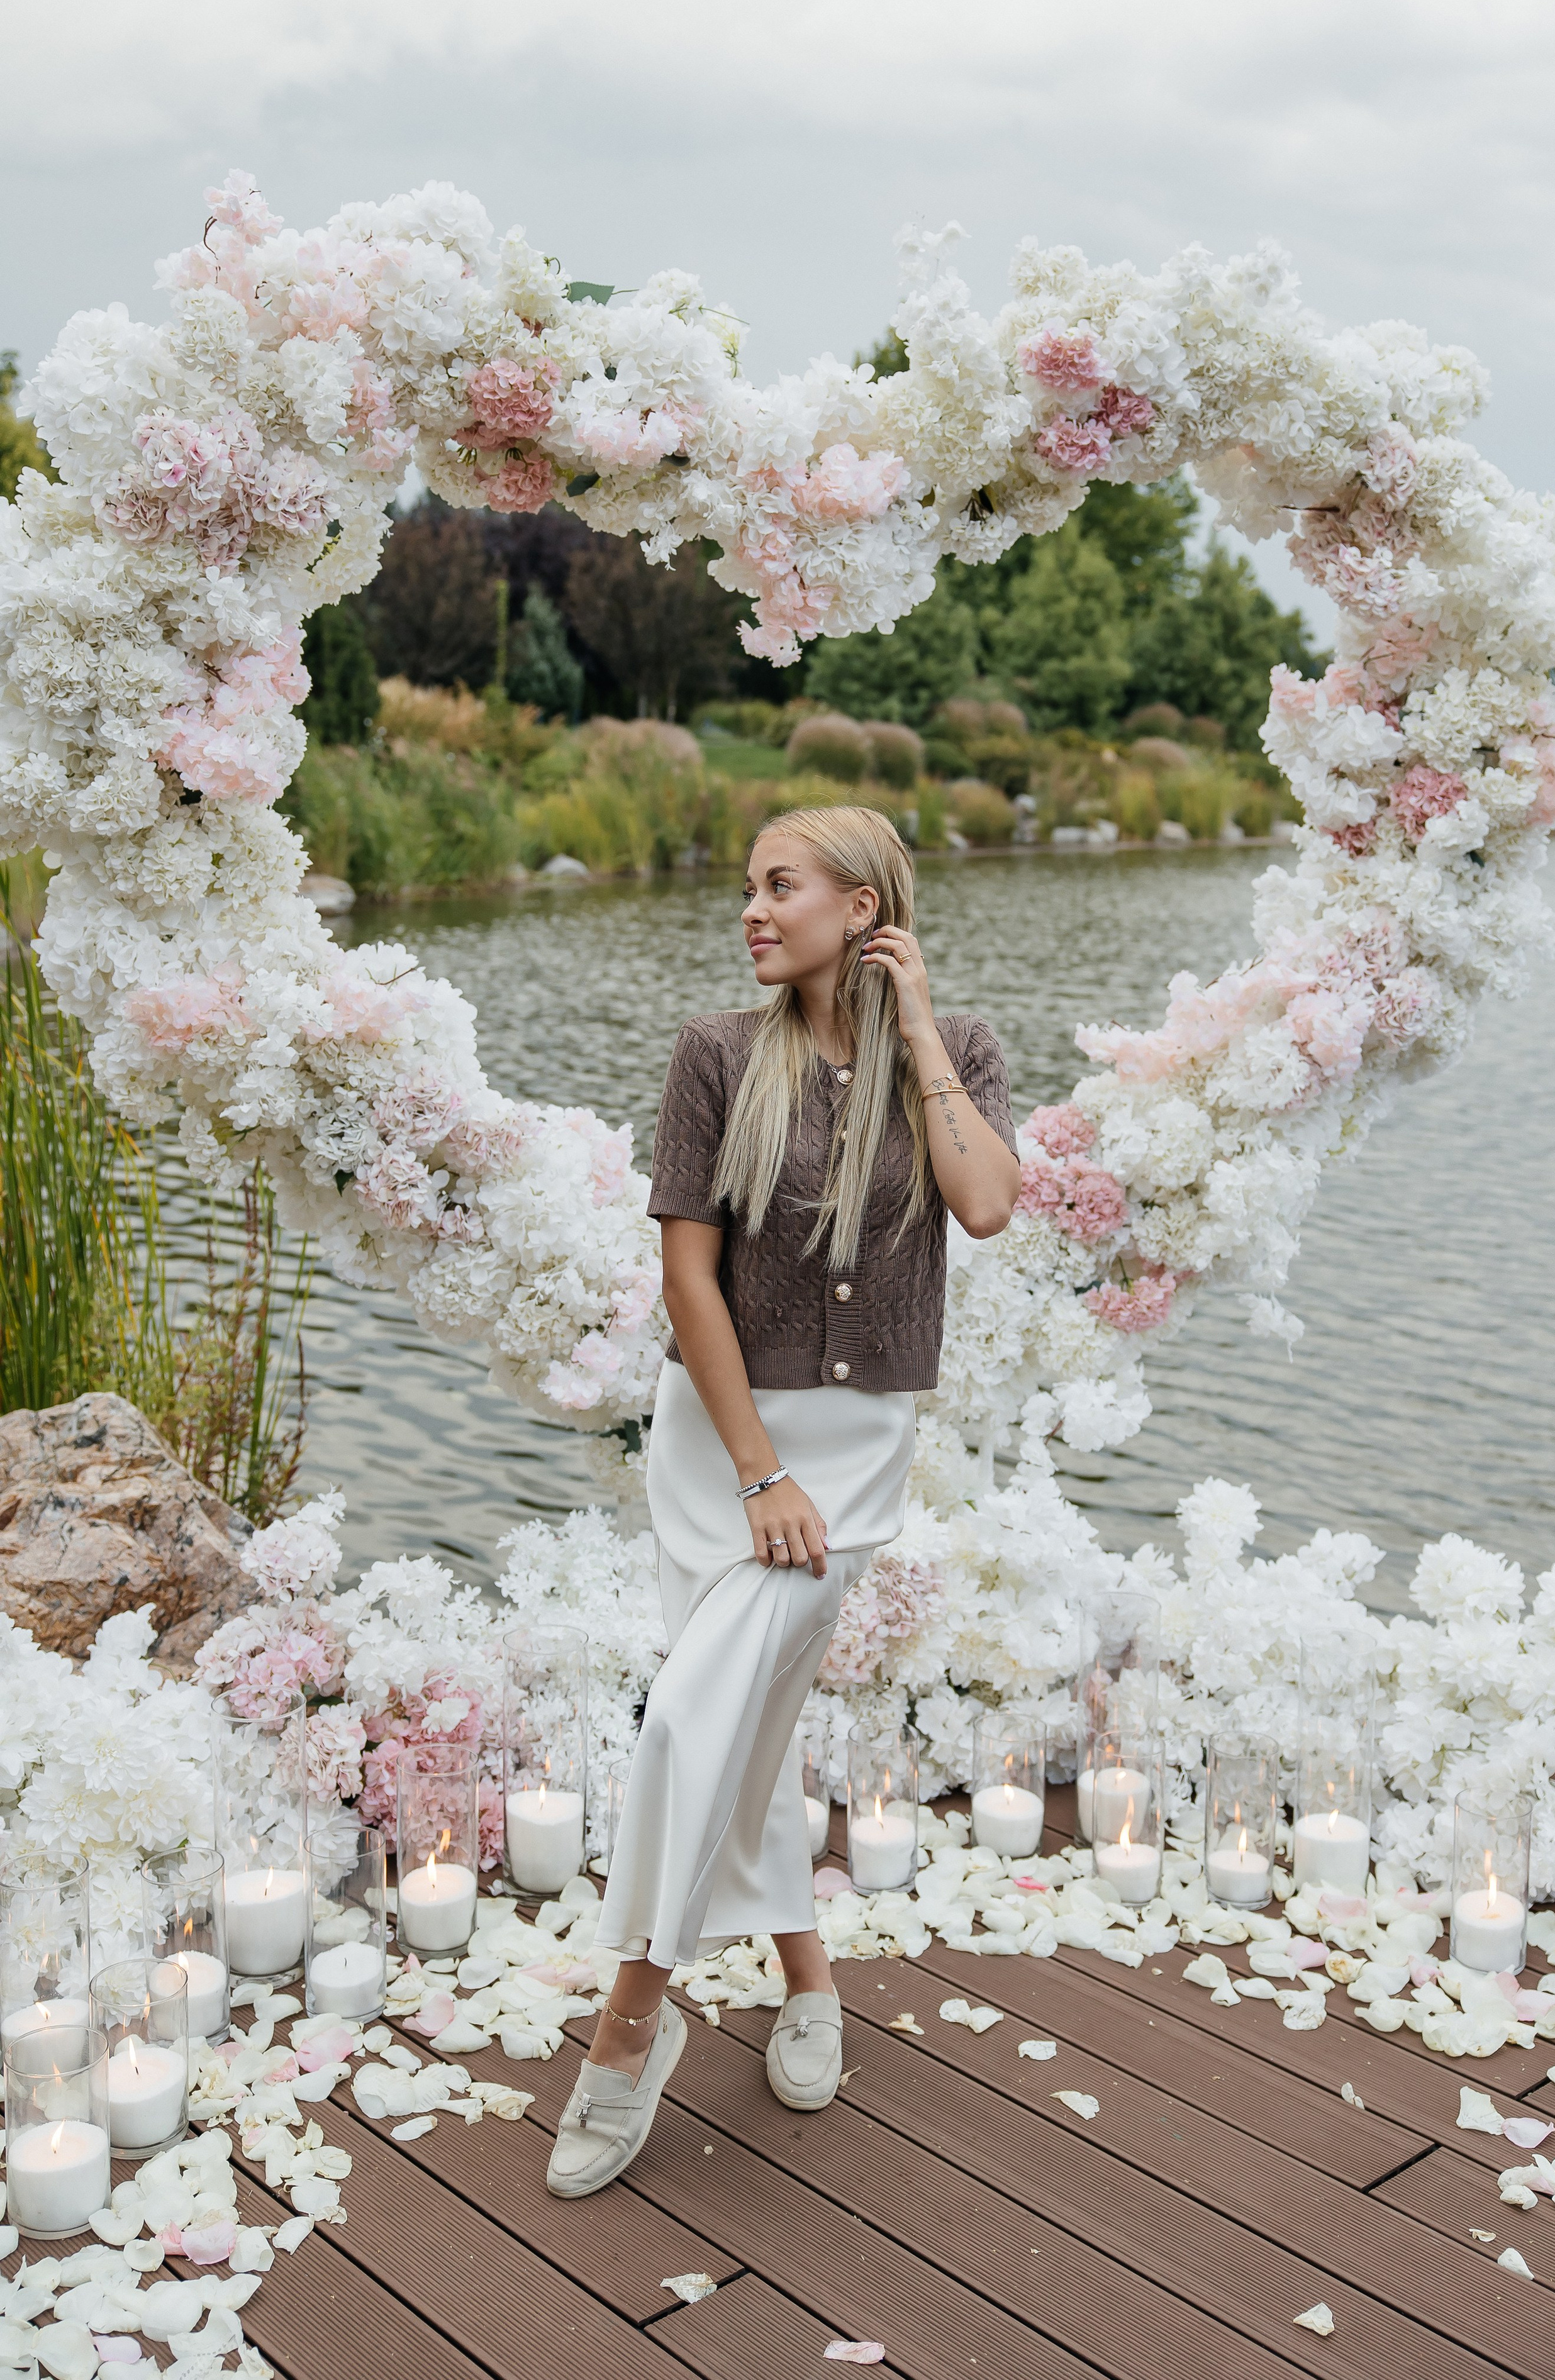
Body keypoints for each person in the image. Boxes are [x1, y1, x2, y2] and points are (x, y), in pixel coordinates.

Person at [546, 803, 1022, 2198]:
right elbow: (686, 1280)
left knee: (701, 1713)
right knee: (732, 1714)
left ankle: (628, 2026)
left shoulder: (961, 1048)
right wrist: (756, 1470)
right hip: (724, 1448)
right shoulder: (715, 1053)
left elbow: (987, 1204)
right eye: (748, 885)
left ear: (863, 905)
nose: (751, 909)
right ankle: (806, 1975)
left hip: (855, 1448)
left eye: (780, 884)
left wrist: (917, 1028)